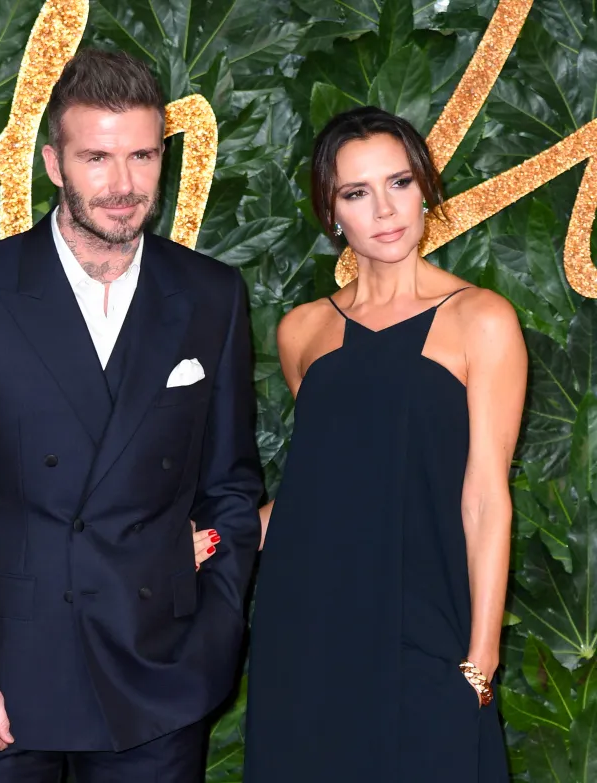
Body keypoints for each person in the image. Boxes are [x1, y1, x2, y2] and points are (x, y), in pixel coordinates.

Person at [0, 48, 263, 783]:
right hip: (0, 683)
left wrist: (214, 626)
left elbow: (230, 483)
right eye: (97, 157)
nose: (124, 185)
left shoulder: (211, 296)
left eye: (142, 155)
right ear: (54, 163)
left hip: (157, 672)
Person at [244, 106, 526, 782]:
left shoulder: (481, 319)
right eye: (356, 192)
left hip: (427, 627)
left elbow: (486, 497)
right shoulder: (301, 332)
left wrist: (480, 656)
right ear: (332, 211)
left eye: (399, 182)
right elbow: (322, 487)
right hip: (307, 625)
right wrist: (210, 534)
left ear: (426, 186)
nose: (386, 209)